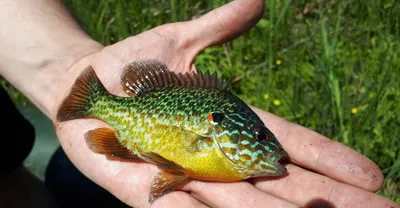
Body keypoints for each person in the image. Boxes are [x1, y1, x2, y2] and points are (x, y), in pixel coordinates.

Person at [0, 0, 398, 207]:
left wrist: (59, 63)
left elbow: (177, 166)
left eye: (261, 135)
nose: (268, 145)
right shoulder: (208, 141)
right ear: (219, 133)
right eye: (258, 136)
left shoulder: (225, 149)